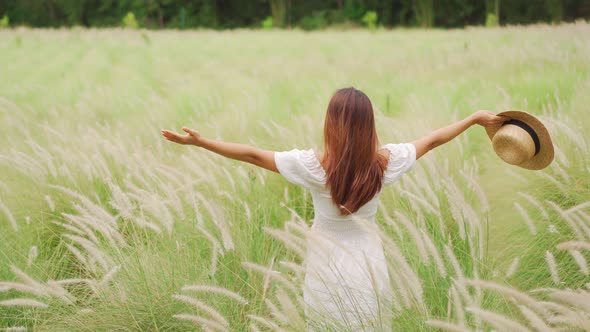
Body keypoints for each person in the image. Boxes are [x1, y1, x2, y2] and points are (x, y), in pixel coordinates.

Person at [161, 87, 507, 330]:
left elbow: (252, 154)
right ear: (369, 124)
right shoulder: (385, 163)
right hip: (370, 264)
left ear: (332, 124)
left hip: (324, 264)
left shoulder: (314, 167)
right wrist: (474, 119)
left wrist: (202, 142)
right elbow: (433, 139)